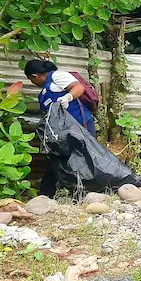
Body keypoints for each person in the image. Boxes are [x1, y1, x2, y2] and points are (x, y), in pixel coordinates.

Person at [24, 59, 96, 198]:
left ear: (35, 76)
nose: (32, 83)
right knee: (55, 161)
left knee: (81, 160)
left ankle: (83, 195)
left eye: (30, 79)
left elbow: (78, 88)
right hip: (63, 131)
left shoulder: (56, 76)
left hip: (80, 125)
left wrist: (68, 97)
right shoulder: (44, 92)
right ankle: (46, 195)